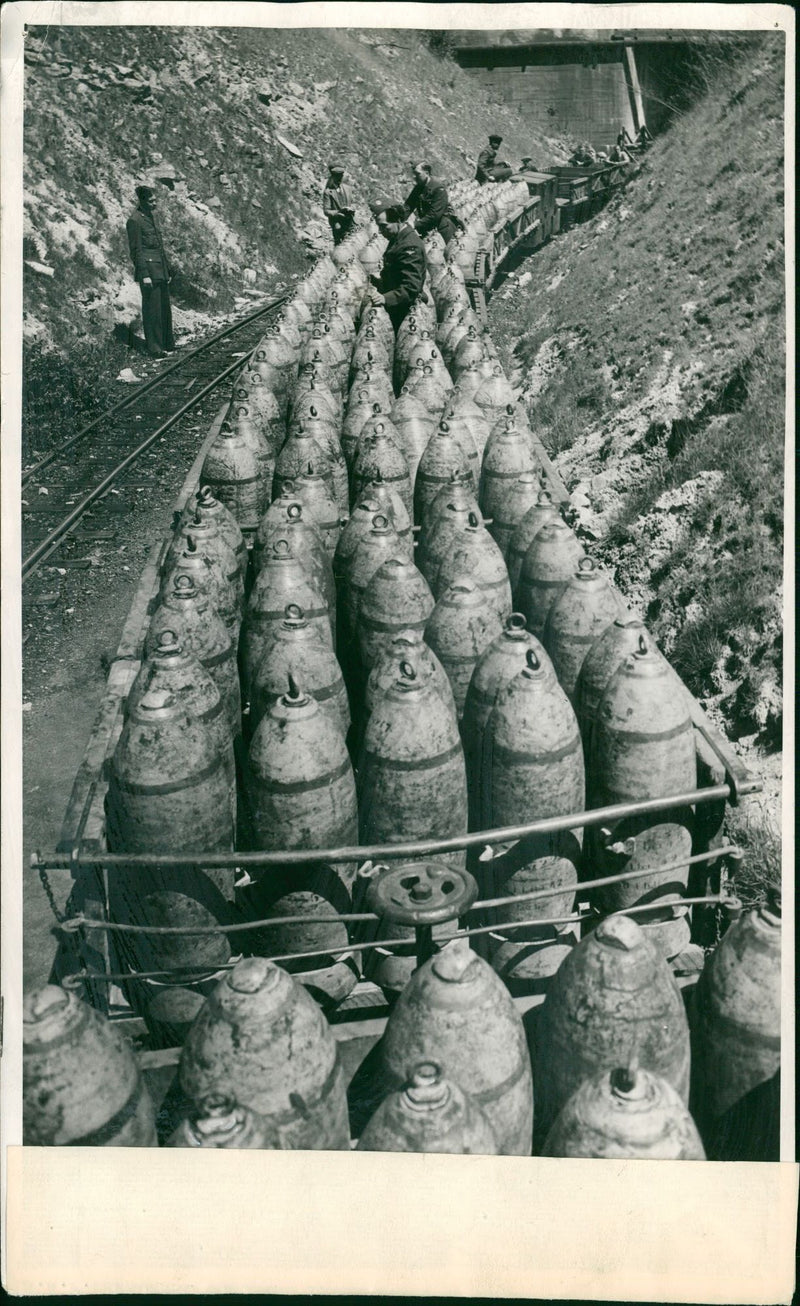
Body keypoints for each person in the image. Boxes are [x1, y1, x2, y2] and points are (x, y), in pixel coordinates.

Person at [126, 183, 175, 359]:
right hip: (149, 272)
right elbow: (137, 250)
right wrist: (144, 274)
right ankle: (155, 348)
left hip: (160, 270)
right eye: (152, 201)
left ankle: (167, 343)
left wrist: (166, 270)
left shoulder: (149, 217)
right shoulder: (135, 220)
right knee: (152, 311)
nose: (155, 203)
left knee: (163, 309)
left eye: (155, 200)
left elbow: (158, 247)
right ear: (143, 201)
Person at [367, 198, 426, 335]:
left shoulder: (409, 246)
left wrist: (385, 298)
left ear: (398, 221)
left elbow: (411, 287)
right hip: (397, 306)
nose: (381, 231)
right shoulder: (398, 238)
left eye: (384, 226)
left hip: (404, 312)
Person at [401, 162, 463, 244]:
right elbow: (408, 206)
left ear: (426, 173)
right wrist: (398, 220)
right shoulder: (419, 187)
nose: (414, 177)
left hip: (442, 230)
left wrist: (415, 224)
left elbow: (434, 215)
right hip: (427, 228)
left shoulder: (438, 188)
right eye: (414, 174)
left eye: (417, 174)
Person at [322, 164, 356, 246]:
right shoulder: (328, 192)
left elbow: (353, 203)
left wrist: (352, 208)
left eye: (341, 176)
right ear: (333, 177)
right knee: (340, 245)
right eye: (337, 176)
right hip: (337, 222)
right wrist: (339, 212)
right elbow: (326, 211)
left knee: (352, 242)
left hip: (349, 220)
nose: (340, 179)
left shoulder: (348, 188)